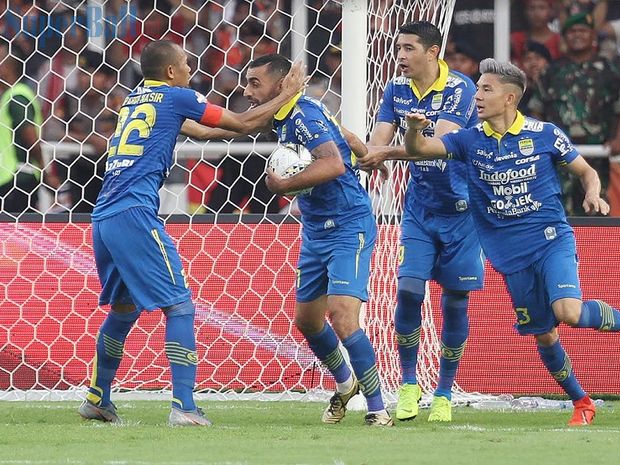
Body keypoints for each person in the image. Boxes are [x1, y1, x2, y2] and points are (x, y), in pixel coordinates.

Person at [400, 58, 620, 426]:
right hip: (508, 254)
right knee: (544, 335)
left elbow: (586, 170)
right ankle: (582, 402)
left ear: (509, 97)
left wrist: (594, 192)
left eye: (486, 89)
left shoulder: (545, 134)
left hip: (549, 240)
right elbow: (419, 151)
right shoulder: (469, 139)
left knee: (568, 313)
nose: (476, 97)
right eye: (478, 88)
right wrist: (415, 131)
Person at [78, 40, 306, 426]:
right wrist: (289, 93)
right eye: (185, 63)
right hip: (135, 214)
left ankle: (97, 398)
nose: (189, 68)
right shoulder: (176, 94)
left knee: (124, 309)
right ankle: (184, 406)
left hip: (104, 216)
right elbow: (243, 123)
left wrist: (262, 112)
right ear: (170, 72)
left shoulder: (136, 99)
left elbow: (201, 133)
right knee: (179, 305)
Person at [245, 54, 394, 427]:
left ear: (280, 86)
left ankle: (378, 409)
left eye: (255, 84)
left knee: (343, 318)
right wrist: (366, 152)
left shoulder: (303, 116)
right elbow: (343, 134)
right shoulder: (298, 111)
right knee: (308, 322)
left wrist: (282, 186)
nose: (247, 91)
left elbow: (333, 165)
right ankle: (346, 384)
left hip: (348, 224)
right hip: (315, 229)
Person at [358, 21, 484, 423]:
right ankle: (409, 384)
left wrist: (389, 152)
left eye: (409, 48)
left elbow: (438, 146)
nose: (400, 55)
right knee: (409, 290)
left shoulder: (461, 89)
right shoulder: (395, 89)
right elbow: (378, 140)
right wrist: (368, 154)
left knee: (454, 301)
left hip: (464, 211)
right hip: (420, 209)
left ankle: (445, 391)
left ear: (432, 52)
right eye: (398, 47)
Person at [529, 12, 620, 216]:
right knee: (557, 210)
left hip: (597, 154)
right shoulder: (552, 72)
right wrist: (541, 142)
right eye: (572, 31)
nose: (578, 35)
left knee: (595, 208)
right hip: (557, 157)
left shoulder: (610, 71)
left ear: (593, 35)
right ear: (564, 37)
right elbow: (536, 109)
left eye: (583, 31)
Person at [0, 38, 59, 213]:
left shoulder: (18, 97)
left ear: (8, 65)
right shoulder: (10, 95)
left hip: (17, 177)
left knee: (13, 232)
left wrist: (45, 172)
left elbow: (29, 136)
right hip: (11, 177)